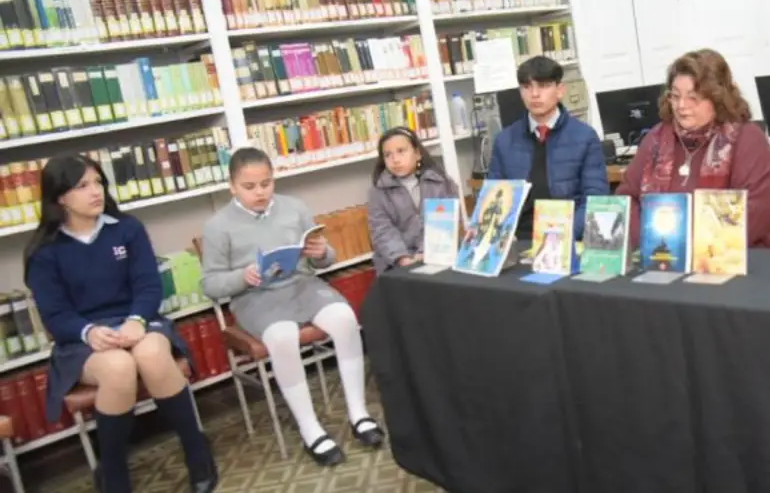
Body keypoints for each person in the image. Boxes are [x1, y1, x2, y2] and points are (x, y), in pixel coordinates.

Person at [25, 155, 216, 493]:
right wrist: (89, 332)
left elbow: (148, 286)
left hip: (138, 320)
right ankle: (113, 470)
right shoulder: (45, 251)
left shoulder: (127, 229)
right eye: (83, 186)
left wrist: (137, 320)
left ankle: (196, 450)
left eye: (98, 182)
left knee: (152, 355)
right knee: (118, 367)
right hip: (82, 337)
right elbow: (55, 314)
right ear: (60, 197)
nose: (95, 191)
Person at [201, 147, 383, 466]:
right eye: (249, 187)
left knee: (344, 318)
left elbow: (326, 259)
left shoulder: (294, 208)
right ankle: (310, 428)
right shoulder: (218, 226)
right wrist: (242, 276)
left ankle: (359, 413)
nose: (260, 192)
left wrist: (321, 252)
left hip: (301, 285)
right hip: (255, 297)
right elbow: (210, 284)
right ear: (232, 187)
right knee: (283, 336)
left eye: (266, 183)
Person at [615, 48, 770, 248]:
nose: (681, 105)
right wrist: (650, 239)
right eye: (675, 96)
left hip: (736, 255)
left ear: (717, 98)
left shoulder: (746, 138)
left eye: (693, 97)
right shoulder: (656, 138)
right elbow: (626, 199)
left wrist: (691, 244)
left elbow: (759, 211)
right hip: (662, 254)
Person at [487, 55, 608, 240]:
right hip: (520, 239)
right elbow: (493, 201)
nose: (534, 94)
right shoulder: (504, 141)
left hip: (568, 237)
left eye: (543, 86)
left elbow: (595, 200)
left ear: (560, 90)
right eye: (527, 87)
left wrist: (564, 236)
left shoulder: (585, 137)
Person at [368, 126, 459, 273]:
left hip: (438, 254)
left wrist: (424, 253)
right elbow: (382, 230)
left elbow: (445, 224)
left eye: (401, 151)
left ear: (417, 154)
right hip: (396, 261)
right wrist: (402, 258)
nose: (395, 160)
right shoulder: (378, 191)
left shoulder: (440, 182)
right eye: (388, 155)